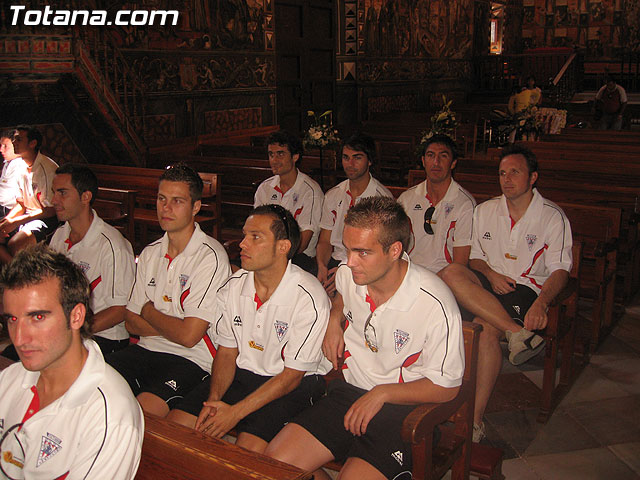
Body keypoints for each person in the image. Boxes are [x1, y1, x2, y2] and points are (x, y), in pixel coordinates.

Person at [266, 197, 465, 480]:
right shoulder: (350, 275)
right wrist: (336, 317)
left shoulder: (434, 303)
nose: (348, 262)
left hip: (404, 409)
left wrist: (382, 393)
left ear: (395, 250)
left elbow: (447, 388)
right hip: (350, 393)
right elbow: (342, 297)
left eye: (362, 252)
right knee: (274, 466)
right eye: (347, 249)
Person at [166, 204, 331, 454]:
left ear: (283, 247)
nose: (242, 244)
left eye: (255, 237)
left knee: (246, 451)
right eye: (245, 235)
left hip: (293, 382)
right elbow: (227, 353)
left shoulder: (308, 296)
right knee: (177, 428)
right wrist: (215, 401)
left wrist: (234, 413)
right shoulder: (233, 286)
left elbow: (292, 377)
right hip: (244, 372)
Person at [439, 144, 572, 442]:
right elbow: (473, 258)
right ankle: (515, 333)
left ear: (533, 177)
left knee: (485, 330)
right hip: (490, 281)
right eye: (502, 173)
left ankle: (473, 420)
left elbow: (561, 270)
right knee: (449, 273)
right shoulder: (485, 210)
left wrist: (541, 303)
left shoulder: (552, 216)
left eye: (515, 172)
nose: (507, 179)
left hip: (526, 289)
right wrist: (489, 273)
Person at [0, 244, 143, 479]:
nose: (19, 338)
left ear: (76, 316)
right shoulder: (9, 380)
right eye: (12, 319)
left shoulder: (109, 415)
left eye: (37, 317)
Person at [106, 163, 231, 417]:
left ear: (196, 207)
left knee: (140, 414)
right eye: (162, 199)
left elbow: (189, 337)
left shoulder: (210, 257)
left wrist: (149, 311)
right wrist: (176, 325)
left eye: (177, 201)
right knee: (93, 387)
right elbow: (131, 323)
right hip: (146, 349)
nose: (166, 208)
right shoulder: (151, 253)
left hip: (192, 359)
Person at [49, 164, 136, 355]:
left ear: (85, 197)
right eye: (54, 193)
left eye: (62, 193)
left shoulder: (112, 245)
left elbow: (120, 310)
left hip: (103, 337)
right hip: (68, 329)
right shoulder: (60, 235)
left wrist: (74, 331)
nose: (54, 200)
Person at [316, 133, 393, 295]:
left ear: (369, 161)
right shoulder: (333, 194)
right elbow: (325, 241)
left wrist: (345, 273)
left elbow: (380, 252)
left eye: (357, 158)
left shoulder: (382, 199)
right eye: (346, 157)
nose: (350, 164)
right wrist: (322, 266)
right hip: (334, 261)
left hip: (366, 264)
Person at [397, 134, 475, 273]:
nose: (436, 162)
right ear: (423, 160)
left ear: (453, 163)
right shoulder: (406, 199)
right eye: (430, 155)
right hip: (409, 272)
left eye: (443, 156)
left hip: (445, 277)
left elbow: (460, 265)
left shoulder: (465, 204)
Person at [254, 130, 324, 274]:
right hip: (268, 252)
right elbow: (256, 227)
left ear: (295, 157)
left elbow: (303, 242)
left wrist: (275, 258)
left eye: (280, 154)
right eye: (271, 154)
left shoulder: (310, 191)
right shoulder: (265, 188)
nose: (274, 160)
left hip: (299, 257)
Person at [0, 125, 59, 263]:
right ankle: (16, 274)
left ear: (33, 143)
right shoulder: (19, 166)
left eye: (19, 139)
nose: (14, 142)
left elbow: (50, 211)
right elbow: (21, 203)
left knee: (15, 245)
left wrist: (17, 221)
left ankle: (21, 277)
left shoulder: (47, 168)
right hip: (27, 216)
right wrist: (7, 221)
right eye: (14, 139)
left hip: (45, 218)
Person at [0, 130, 28, 218]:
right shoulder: (8, 162)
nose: (1, 149)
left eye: (5, 146)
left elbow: (21, 203)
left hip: (12, 212)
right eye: (1, 145)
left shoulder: (21, 164)